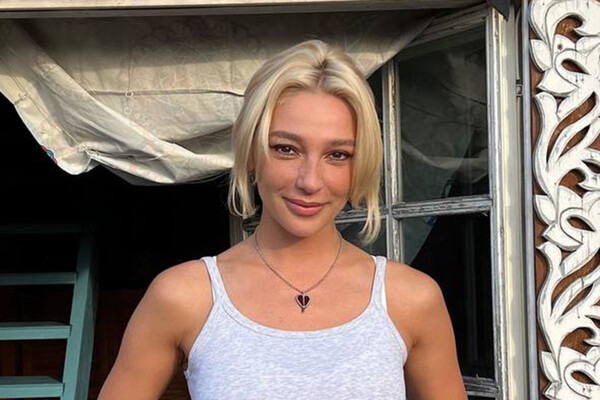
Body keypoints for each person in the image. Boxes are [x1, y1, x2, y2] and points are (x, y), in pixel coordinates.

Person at [98, 39, 467, 399]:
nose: (310, 181)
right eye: (286, 149)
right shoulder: (184, 297)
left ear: (360, 164)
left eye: (337, 154)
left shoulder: (412, 300)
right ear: (251, 153)